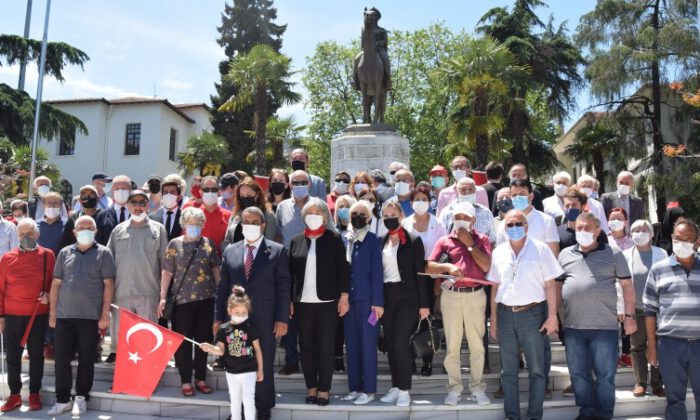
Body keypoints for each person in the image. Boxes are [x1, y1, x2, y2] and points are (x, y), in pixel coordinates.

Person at [557, 212, 637, 420]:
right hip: (573, 326)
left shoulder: (613, 253)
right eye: (579, 228)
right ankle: (586, 411)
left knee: (605, 375)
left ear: (598, 231)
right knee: (578, 374)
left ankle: (603, 414)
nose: (582, 231)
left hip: (605, 327)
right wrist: (555, 315)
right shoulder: (565, 254)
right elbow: (557, 287)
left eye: (587, 228)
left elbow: (627, 286)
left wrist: (629, 315)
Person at [216, 206, 291, 420]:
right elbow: (223, 287)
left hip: (265, 317)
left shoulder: (277, 251)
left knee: (263, 361)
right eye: (246, 222)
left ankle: (263, 407)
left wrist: (282, 318)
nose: (250, 225)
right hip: (236, 320)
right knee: (238, 363)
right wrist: (218, 318)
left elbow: (284, 288)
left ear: (263, 225)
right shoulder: (231, 250)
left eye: (255, 222)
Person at [487, 209, 562, 420]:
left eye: (518, 223)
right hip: (505, 314)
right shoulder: (498, 252)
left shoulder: (541, 249)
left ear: (526, 226)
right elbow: (494, 286)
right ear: (504, 228)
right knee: (508, 371)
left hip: (533, 314)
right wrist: (493, 318)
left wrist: (552, 315)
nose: (514, 228)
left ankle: (534, 415)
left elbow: (550, 284)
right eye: (509, 225)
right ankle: (512, 415)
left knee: (537, 370)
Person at [46, 216, 115, 416]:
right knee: (61, 359)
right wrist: (52, 313)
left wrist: (105, 315)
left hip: (90, 317)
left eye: (89, 227)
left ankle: (82, 398)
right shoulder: (64, 253)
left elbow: (108, 285)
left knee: (86, 359)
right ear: (74, 232)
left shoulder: (104, 253)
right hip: (64, 315)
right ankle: (62, 400)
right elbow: (56, 284)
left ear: (95, 231)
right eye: (81, 227)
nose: (85, 230)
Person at [425, 201, 492, 406]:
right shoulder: (445, 240)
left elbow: (486, 265)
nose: (460, 220)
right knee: (452, 346)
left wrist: (470, 244)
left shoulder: (483, 240)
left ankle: (477, 388)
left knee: (476, 346)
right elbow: (428, 267)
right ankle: (454, 388)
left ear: (473, 220)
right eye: (457, 217)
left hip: (475, 295)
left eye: (465, 217)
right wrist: (446, 267)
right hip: (451, 295)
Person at [289, 198, 349, 406]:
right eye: (309, 213)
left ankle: (324, 388)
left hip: (327, 302)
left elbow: (343, 269)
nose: (313, 216)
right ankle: (311, 387)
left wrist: (344, 296)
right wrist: (290, 299)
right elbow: (291, 275)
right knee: (306, 347)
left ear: (324, 216)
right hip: (302, 303)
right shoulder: (296, 241)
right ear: (304, 217)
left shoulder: (333, 239)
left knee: (325, 347)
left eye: (317, 212)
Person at [157, 207, 220, 396]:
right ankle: (185, 380)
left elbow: (216, 270)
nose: (194, 227)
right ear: (184, 225)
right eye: (190, 224)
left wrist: (222, 294)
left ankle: (201, 378)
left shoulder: (209, 243)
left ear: (202, 225)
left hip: (206, 300)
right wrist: (162, 297)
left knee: (203, 341)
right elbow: (167, 272)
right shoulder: (174, 244)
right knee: (183, 342)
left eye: (198, 224)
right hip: (181, 301)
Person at [643, 220, 700, 420]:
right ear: (672, 238)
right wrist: (652, 345)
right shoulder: (658, 269)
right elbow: (649, 311)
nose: (682, 243)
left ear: (697, 242)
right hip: (670, 345)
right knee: (675, 399)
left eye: (688, 239)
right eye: (678, 238)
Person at [104, 190, 168, 364]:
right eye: (134, 202)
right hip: (121, 294)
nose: (138, 206)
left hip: (148, 293)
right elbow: (108, 261)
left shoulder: (158, 229)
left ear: (148, 205)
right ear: (127, 205)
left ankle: (144, 379)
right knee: (121, 340)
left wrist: (163, 294)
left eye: (142, 202)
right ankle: (122, 380)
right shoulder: (118, 230)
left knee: (147, 339)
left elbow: (165, 264)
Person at [378, 201, 430, 407]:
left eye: (393, 214)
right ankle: (395, 386)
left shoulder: (414, 239)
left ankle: (405, 390)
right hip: (387, 296)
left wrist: (424, 304)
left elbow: (420, 274)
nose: (390, 217)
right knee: (390, 343)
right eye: (385, 215)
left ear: (401, 215)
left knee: (400, 342)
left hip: (407, 297)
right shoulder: (380, 241)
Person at [0, 219, 54, 413]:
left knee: (36, 355)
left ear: (37, 235)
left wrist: (48, 296)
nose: (26, 237)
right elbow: (1, 289)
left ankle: (34, 393)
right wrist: (1, 316)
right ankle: (14, 394)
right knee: (13, 355)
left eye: (30, 234)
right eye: (22, 234)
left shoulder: (47, 255)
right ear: (16, 236)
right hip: (13, 314)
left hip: (36, 315)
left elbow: (52, 283)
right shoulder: (7, 258)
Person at [402, 182, 446, 377]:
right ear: (411, 203)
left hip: (430, 278)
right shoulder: (405, 223)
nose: (420, 202)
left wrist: (438, 281)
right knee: (409, 320)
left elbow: (444, 253)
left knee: (428, 320)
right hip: (409, 279)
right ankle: (410, 358)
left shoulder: (438, 224)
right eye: (417, 200)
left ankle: (427, 361)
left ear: (430, 202)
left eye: (424, 200)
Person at [340, 200, 383, 404]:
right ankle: (355, 387)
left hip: (368, 302)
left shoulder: (374, 240)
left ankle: (369, 390)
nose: (357, 216)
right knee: (352, 345)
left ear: (369, 217)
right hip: (348, 301)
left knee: (367, 345)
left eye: (362, 213)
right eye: (354, 212)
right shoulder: (345, 238)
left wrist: (378, 302)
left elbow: (377, 273)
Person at [201, 287, 263, 420]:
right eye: (237, 312)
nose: (240, 315)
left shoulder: (250, 327)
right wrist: (210, 348)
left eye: (243, 312)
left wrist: (261, 370)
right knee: (235, 401)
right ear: (229, 310)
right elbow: (220, 350)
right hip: (231, 372)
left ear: (248, 311)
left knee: (248, 400)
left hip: (249, 370)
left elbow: (257, 349)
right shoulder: (223, 329)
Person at [623, 219, 666, 398]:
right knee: (637, 346)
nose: (639, 233)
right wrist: (623, 310)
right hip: (637, 309)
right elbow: (621, 284)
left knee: (658, 345)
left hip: (658, 309)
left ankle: (657, 383)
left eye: (643, 230)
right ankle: (640, 382)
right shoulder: (625, 255)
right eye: (635, 230)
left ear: (651, 234)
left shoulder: (661, 253)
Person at [221, 177, 278, 252]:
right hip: (236, 258)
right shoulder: (235, 214)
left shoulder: (268, 216)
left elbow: (270, 243)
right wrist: (232, 254)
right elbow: (227, 240)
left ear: (257, 194)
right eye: (242, 196)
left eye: (249, 195)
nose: (245, 198)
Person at [441, 177, 495, 244]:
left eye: (470, 189)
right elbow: (441, 238)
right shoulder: (447, 212)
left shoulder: (485, 212)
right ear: (457, 191)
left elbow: (492, 240)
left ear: (475, 190)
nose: (467, 192)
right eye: (463, 189)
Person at [193, 175, 232, 250]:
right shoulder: (192, 216)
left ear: (218, 192)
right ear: (200, 192)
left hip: (221, 260)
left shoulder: (229, 216)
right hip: (198, 260)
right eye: (206, 189)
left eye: (213, 189)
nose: (210, 192)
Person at [95, 175, 132, 245]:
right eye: (117, 189)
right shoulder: (102, 216)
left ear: (130, 190)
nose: (120, 191)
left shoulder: (137, 214)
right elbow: (98, 243)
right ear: (112, 191)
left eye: (124, 189)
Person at [149, 175, 185, 242]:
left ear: (179, 196)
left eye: (172, 192)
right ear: (161, 195)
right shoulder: (151, 217)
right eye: (165, 192)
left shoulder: (185, 218)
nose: (169, 195)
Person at [37, 192, 64, 257]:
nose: (52, 206)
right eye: (49, 203)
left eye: (55, 203)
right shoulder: (35, 225)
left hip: (59, 265)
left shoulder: (67, 225)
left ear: (60, 205)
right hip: (40, 264)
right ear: (44, 205)